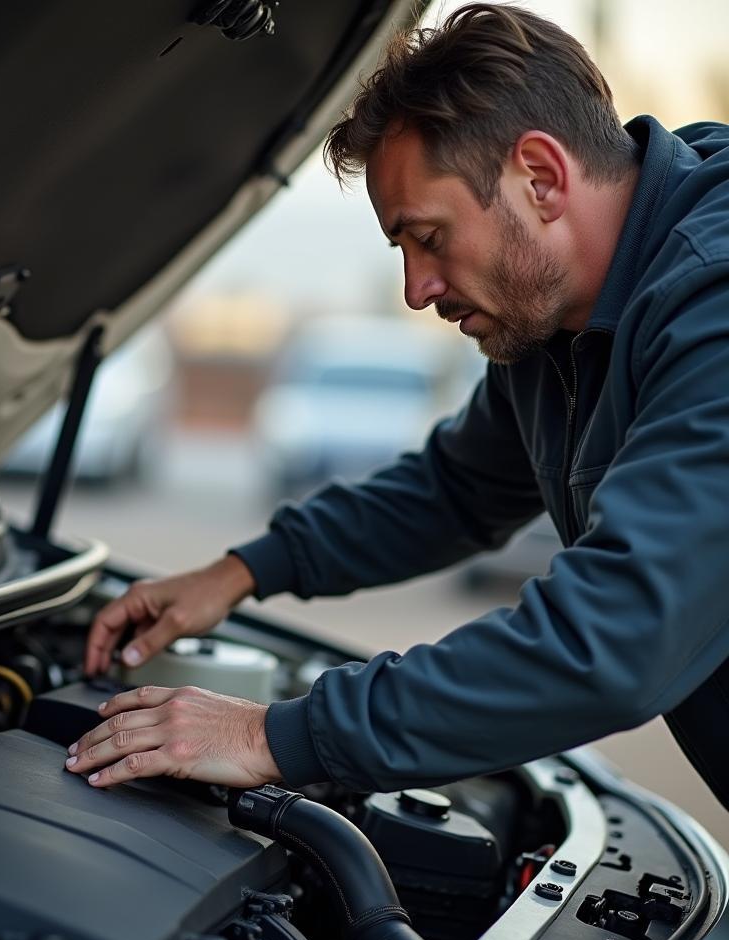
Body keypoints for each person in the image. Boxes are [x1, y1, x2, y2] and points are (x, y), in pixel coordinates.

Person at [64, 3, 729, 807]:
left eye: (430, 237)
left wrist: (271, 737)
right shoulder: (554, 316)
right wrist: (241, 571)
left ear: (542, 177)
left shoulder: (711, 300)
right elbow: (457, 490)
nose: (417, 291)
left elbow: (617, 638)